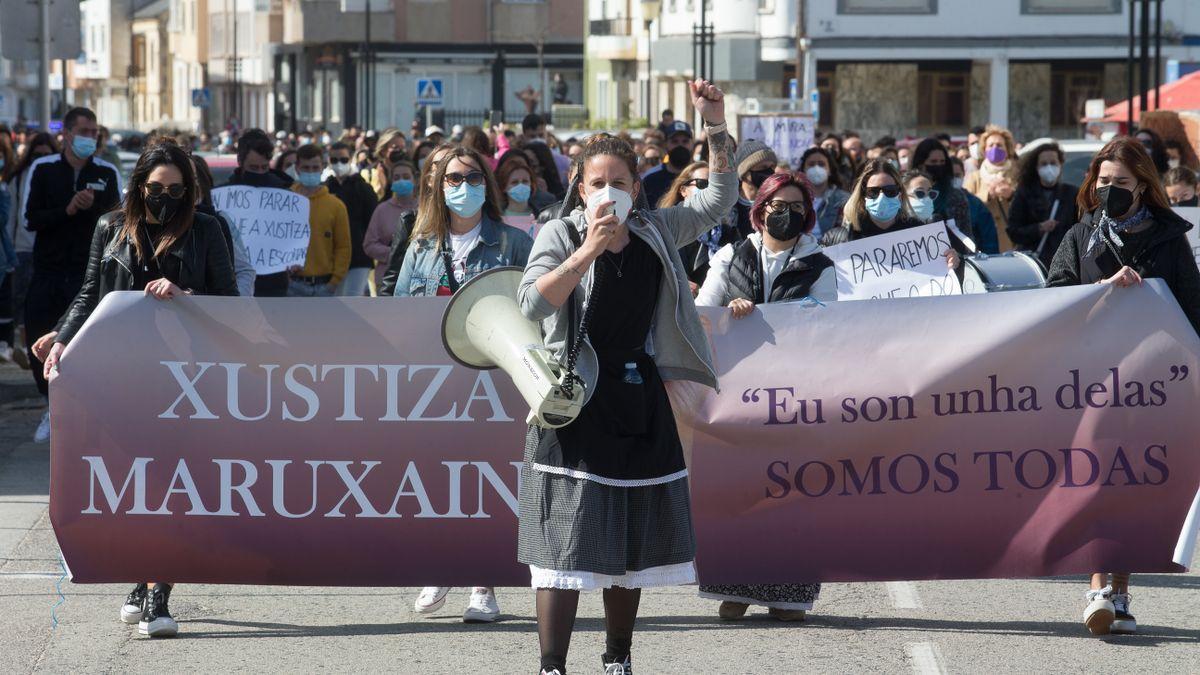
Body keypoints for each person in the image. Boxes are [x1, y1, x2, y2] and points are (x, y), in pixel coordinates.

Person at [517, 79, 734, 675]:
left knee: (629, 538)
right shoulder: (559, 233)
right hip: (574, 395)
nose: (608, 192)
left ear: (637, 188)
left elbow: (718, 201)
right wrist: (587, 249)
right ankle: (552, 664)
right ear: (578, 189)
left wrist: (713, 123)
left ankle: (618, 656)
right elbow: (532, 305)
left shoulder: (656, 231)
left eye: (619, 182)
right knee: (564, 539)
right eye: (597, 183)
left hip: (636, 392)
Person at [37, 141, 237, 639]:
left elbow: (230, 302)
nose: (165, 197)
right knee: (133, 482)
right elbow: (91, 291)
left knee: (172, 481)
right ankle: (140, 576)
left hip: (185, 376)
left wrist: (186, 296)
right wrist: (62, 337)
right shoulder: (110, 227)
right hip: (121, 371)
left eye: (176, 189)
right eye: (155, 188)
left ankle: (158, 594)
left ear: (189, 191)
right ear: (138, 186)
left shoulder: (207, 229)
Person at [1046, 136, 1200, 637]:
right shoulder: (1078, 236)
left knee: (1132, 483)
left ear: (1143, 187)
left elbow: (1192, 308)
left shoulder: (1168, 239)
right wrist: (1099, 291)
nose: (1110, 190)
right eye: (1104, 182)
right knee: (1095, 478)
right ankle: (1098, 587)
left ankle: (1122, 592)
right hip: (1088, 379)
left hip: (1149, 383)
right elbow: (1052, 298)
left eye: (1122, 184)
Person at [394, 145, 532, 623]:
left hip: (493, 380)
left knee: (490, 479)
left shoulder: (513, 243)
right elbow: (399, 313)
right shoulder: (421, 245)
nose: (462, 186)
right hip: (435, 384)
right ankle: (443, 564)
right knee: (439, 478)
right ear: (438, 186)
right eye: (452, 179)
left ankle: (483, 584)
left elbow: (536, 308)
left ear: (486, 185)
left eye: (472, 177)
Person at [22, 107, 121, 443]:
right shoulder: (44, 169)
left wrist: (90, 207)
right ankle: (50, 403)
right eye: (84, 131)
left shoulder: (107, 173)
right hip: (48, 270)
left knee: (84, 344)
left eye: (94, 132)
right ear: (65, 133)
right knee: (39, 336)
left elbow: (117, 221)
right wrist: (67, 209)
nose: (90, 138)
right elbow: (30, 219)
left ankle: (78, 410)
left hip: (87, 273)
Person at [3, 132, 57, 370]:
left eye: (45, 155)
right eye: (36, 154)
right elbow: (14, 216)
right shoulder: (18, 177)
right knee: (24, 301)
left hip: (50, 250)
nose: (40, 159)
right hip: (24, 248)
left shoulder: (56, 176)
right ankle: (27, 347)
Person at [379, 144, 455, 297]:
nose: (447, 171)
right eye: (439, 165)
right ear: (428, 178)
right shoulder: (410, 222)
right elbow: (393, 278)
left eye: (452, 163)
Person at [224, 129, 292, 296]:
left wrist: (294, 258)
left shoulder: (286, 193)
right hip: (236, 284)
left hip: (275, 283)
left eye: (264, 167)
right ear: (240, 161)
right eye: (253, 167)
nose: (260, 173)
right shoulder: (223, 196)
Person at [661, 161, 739, 291]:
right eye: (703, 184)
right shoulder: (665, 230)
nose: (711, 191)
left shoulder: (729, 233)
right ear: (683, 190)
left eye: (714, 185)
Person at [288, 144, 350, 297]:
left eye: (315, 167)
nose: (310, 172)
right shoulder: (285, 202)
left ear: (323, 167)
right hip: (292, 284)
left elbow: (343, 247)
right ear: (297, 168)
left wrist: (334, 281)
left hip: (325, 285)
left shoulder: (336, 206)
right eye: (306, 168)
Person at [1007, 141, 1080, 269]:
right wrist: (1038, 228)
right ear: (1036, 167)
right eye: (1044, 164)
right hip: (1034, 265)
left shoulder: (1072, 193)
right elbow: (1013, 231)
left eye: (1053, 163)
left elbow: (1080, 229)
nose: (1049, 168)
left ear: (1060, 164)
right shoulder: (1024, 193)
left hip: (1065, 264)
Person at [191, 154, 256, 297]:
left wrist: (232, 308)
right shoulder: (142, 225)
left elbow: (244, 271)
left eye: (194, 181)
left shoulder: (215, 222)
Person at [324, 142, 379, 296]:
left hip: (359, 256)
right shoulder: (326, 188)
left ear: (350, 159)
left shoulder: (363, 189)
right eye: (334, 160)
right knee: (334, 302)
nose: (339, 164)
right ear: (329, 161)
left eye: (343, 159)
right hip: (331, 257)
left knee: (353, 300)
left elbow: (372, 223)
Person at [363, 160, 418, 292]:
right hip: (387, 279)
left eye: (406, 177)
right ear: (390, 181)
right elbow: (369, 245)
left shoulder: (425, 207)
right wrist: (395, 254)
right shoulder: (382, 209)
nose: (401, 181)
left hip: (418, 277)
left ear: (415, 179)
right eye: (396, 178)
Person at [963, 125, 1018, 251]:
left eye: (999, 145)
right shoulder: (974, 177)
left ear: (1007, 149)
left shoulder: (1017, 174)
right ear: (984, 149)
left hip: (1011, 243)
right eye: (991, 145)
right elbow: (966, 206)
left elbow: (1028, 205)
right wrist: (987, 194)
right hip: (984, 241)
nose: (995, 148)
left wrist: (1011, 195)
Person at [911, 137, 973, 237]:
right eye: (933, 162)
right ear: (920, 165)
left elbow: (967, 234)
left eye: (942, 162)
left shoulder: (956, 196)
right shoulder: (906, 194)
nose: (938, 165)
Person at [950, 157, 1000, 254]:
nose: (954, 179)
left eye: (957, 175)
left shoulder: (976, 204)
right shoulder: (936, 203)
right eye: (950, 176)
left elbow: (989, 241)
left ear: (964, 174)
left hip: (972, 261)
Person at [642, 121, 695, 207]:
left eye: (685, 141)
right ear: (665, 144)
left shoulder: (702, 176)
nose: (680, 145)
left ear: (692, 144)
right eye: (675, 141)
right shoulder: (650, 179)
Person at [800, 146, 849, 236]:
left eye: (821, 164)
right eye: (811, 164)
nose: (816, 168)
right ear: (803, 170)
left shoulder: (844, 199)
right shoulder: (795, 198)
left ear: (829, 170)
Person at [733, 140, 778, 236]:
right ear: (744, 173)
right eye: (763, 168)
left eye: (772, 167)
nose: (769, 172)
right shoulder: (730, 205)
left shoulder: (776, 202)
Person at [497, 156, 538, 237]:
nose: (521, 186)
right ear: (504, 187)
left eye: (525, 181)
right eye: (514, 182)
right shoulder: (495, 219)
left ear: (531, 184)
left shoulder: (542, 217)